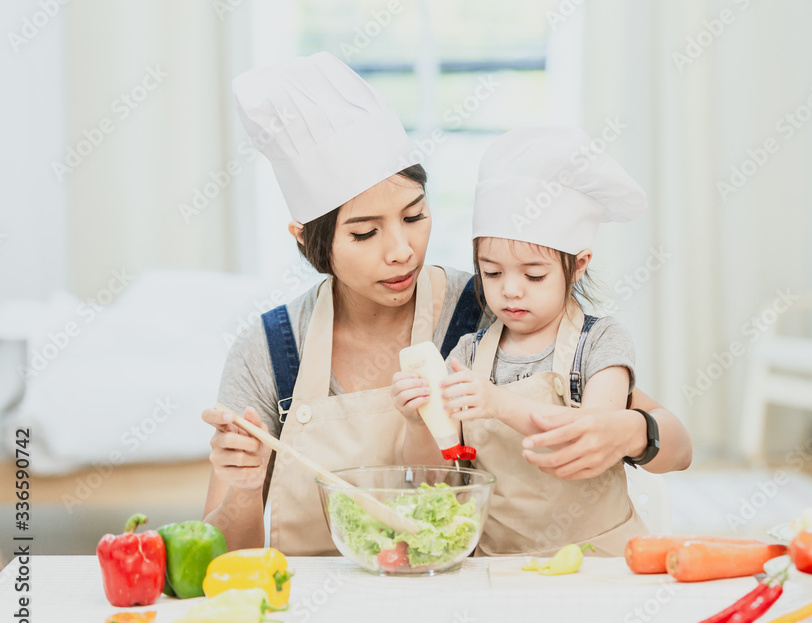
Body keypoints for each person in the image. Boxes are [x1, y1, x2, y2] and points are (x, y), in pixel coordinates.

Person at [202, 53, 691, 556]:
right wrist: (243, 485)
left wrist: (632, 431)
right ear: (308, 241)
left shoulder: (494, 308)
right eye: (366, 232)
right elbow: (221, 561)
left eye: (414, 216)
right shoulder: (270, 351)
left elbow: (672, 447)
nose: (401, 250)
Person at [392, 127, 680, 556]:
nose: (510, 290)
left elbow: (590, 434)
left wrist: (497, 403)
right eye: (491, 272)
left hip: (598, 562)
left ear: (579, 264)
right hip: (499, 566)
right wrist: (420, 421)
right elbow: (439, 479)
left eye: (533, 275)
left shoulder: (599, 343)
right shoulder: (469, 354)